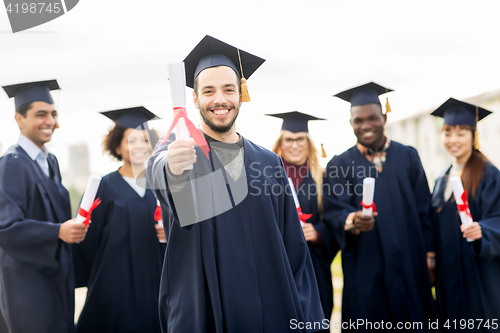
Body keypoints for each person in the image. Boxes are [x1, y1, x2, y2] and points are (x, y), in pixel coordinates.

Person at [147, 35, 325, 332]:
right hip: (207, 314)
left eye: (229, 89)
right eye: (209, 91)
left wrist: (310, 320)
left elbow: (295, 253)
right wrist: (174, 169)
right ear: (194, 99)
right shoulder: (179, 153)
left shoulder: (269, 163)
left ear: (240, 94)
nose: (220, 99)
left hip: (272, 314)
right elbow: (163, 177)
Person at [323, 82, 436, 331]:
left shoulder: (408, 156)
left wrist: (430, 257)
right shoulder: (339, 164)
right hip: (367, 266)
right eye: (358, 120)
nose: (365, 126)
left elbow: (424, 210)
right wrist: (352, 220)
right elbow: (333, 210)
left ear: (384, 117)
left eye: (372, 118)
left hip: (410, 263)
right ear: (351, 122)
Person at [0, 80, 88, 333]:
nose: (51, 121)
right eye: (41, 115)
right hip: (27, 283)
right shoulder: (11, 163)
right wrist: (58, 231)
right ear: (19, 118)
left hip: (55, 275)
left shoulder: (50, 161)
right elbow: (6, 226)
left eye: (53, 114)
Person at [72, 107, 166, 333]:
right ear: (117, 146)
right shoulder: (104, 186)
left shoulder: (163, 185)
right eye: (131, 140)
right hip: (114, 283)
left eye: (144, 139)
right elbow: (87, 239)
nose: (140, 146)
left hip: (157, 281)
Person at [430, 98, 500, 330]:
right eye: (447, 133)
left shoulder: (489, 174)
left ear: (473, 135)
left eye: (461, 133)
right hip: (449, 276)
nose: (453, 140)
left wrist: (484, 230)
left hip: (479, 274)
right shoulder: (443, 178)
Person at [268, 111, 338, 320]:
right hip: (279, 266)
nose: (295, 145)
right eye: (289, 139)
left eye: (300, 139)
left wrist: (317, 233)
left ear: (309, 143)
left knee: (317, 319)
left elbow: (335, 218)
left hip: (314, 267)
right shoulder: (268, 177)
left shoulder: (323, 178)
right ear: (280, 143)